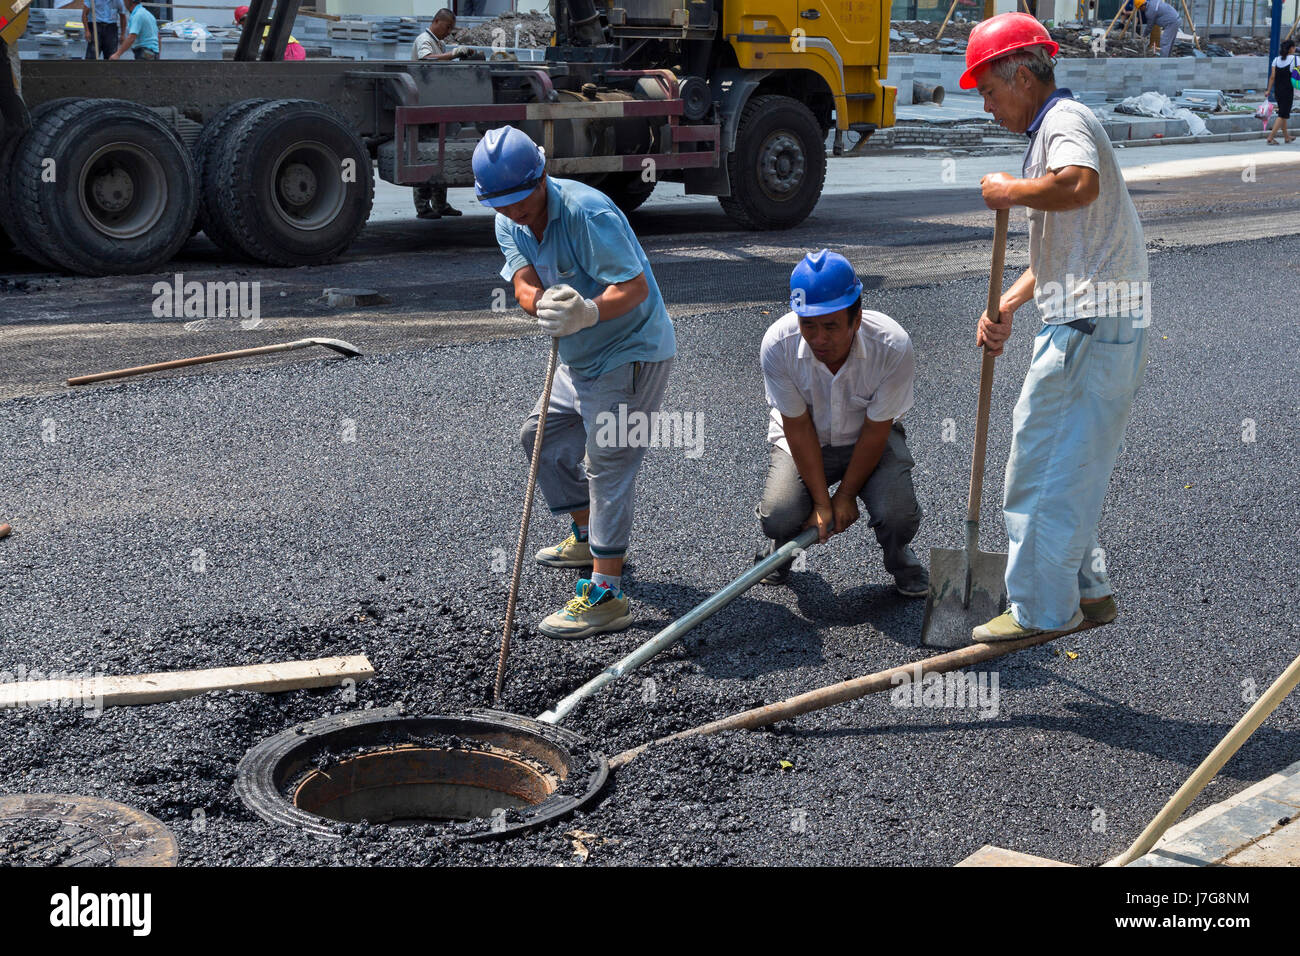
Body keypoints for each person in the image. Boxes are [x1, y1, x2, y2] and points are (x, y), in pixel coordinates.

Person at [962, 13, 1149, 642]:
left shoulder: (1064, 126)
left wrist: (1011, 191)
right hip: (1097, 318)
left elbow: (1079, 187)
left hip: (1090, 325)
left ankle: (1041, 610)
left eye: (988, 90)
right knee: (1071, 464)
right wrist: (1009, 304)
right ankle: (1088, 590)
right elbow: (1060, 254)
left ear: (1020, 73)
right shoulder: (1056, 126)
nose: (986, 106)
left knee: (1039, 467)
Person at [474, 125, 676, 639]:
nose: (517, 213)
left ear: (542, 175)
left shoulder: (590, 213)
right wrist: (540, 306)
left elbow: (633, 287)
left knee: (609, 460)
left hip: (630, 349)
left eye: (522, 200)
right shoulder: (507, 219)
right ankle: (587, 536)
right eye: (503, 205)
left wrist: (586, 311)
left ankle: (607, 594)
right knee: (539, 436)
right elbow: (522, 278)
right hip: (579, 355)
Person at [754, 250, 929, 597]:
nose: (819, 339)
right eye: (809, 325)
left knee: (897, 513)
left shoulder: (892, 345)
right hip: (808, 439)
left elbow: (877, 430)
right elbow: (798, 427)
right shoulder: (777, 345)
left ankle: (902, 562)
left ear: (857, 318)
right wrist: (823, 503)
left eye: (831, 326)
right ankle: (781, 553)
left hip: (869, 440)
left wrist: (846, 496)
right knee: (780, 514)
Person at [409, 9, 469, 219]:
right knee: (426, 155)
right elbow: (428, 60)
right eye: (447, 27)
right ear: (435, 21)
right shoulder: (424, 39)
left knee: (440, 155)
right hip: (424, 103)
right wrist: (453, 54)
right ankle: (423, 206)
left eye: (451, 28)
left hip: (436, 101)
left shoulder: (439, 43)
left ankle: (440, 204)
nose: (448, 32)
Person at [233, 5, 306, 60]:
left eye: (241, 23)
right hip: (291, 49)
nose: (242, 26)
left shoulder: (261, 25)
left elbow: (265, 43)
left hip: (290, 50)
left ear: (245, 19)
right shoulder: (264, 21)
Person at [1264, 39, 1297, 145]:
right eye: (1294, 47)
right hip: (1288, 90)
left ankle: (1286, 137)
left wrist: (1268, 90)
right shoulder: (1295, 59)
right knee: (1283, 114)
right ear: (1291, 48)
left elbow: (1272, 77)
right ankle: (1271, 137)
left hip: (1277, 90)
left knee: (1283, 113)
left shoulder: (1276, 60)